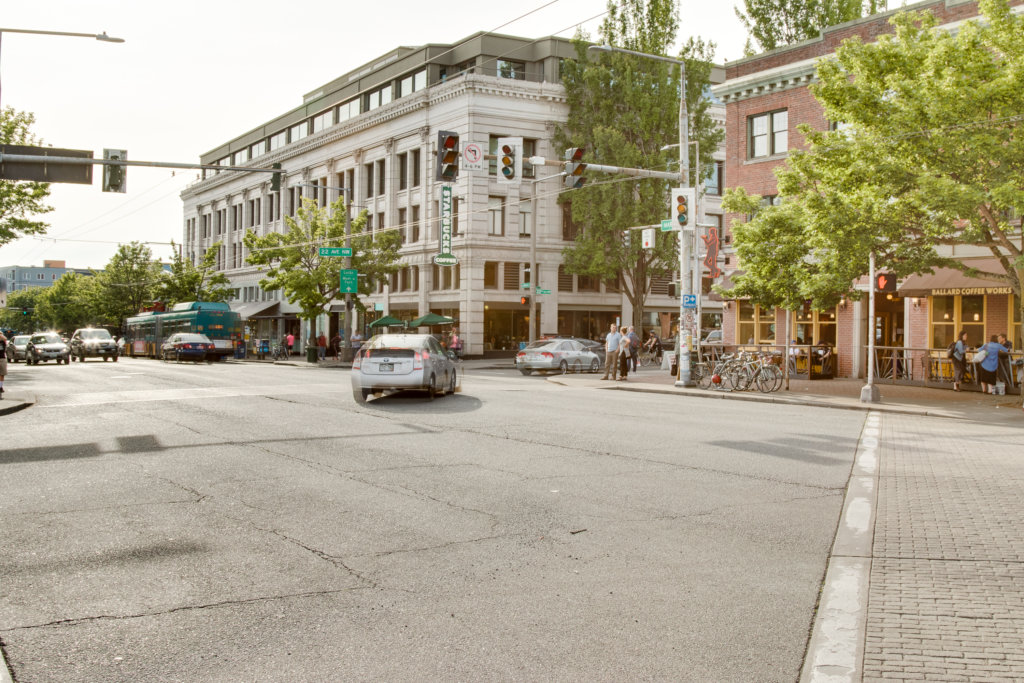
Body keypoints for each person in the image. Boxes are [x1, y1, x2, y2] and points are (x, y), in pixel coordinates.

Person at [0, 331, 7, 399]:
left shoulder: (3, 342)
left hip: (2, 358)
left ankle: (0, 386)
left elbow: (5, 338)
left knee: (2, 374)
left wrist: (1, 335)